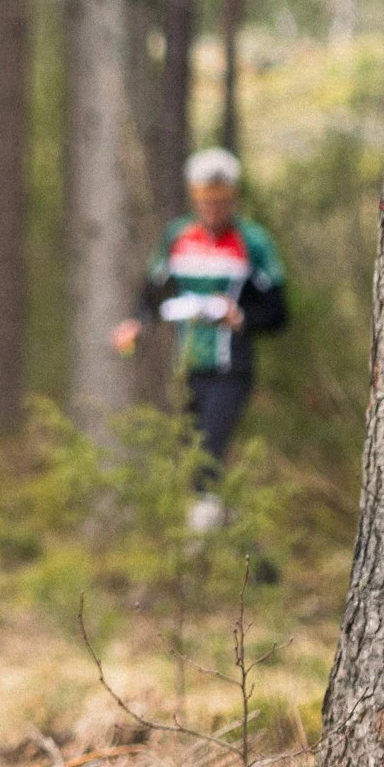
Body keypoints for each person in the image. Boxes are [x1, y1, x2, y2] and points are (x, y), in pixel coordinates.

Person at [113, 147, 289, 505]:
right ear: (195, 198)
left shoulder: (252, 241)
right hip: (186, 366)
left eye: (220, 202)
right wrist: (137, 322)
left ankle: (205, 532)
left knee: (209, 451)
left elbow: (277, 312)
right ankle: (216, 526)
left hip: (231, 368)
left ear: (233, 199)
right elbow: (153, 291)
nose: (212, 209)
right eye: (205, 201)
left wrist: (241, 317)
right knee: (187, 453)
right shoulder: (178, 235)